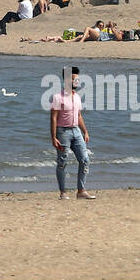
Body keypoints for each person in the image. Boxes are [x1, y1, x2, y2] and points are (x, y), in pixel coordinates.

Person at [50, 66, 95, 200]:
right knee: (62, 162)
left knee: (85, 160)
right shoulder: (58, 97)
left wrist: (85, 131)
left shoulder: (77, 97)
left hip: (76, 131)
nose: (77, 82)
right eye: (74, 79)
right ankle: (63, 192)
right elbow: (53, 118)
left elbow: (79, 115)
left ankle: (81, 190)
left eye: (78, 80)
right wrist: (53, 137)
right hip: (62, 132)